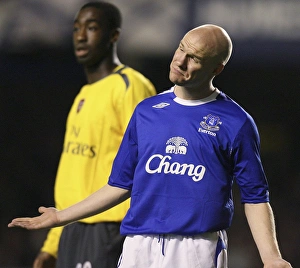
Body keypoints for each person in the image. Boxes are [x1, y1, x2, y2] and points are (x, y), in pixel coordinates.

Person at [8, 24, 292, 268]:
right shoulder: (146, 111)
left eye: (194, 58)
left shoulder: (236, 122)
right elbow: (120, 185)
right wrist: (60, 217)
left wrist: (271, 258)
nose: (180, 61)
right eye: (181, 49)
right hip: (137, 245)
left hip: (195, 248)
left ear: (216, 68)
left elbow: (255, 197)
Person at [26, 1, 156, 268]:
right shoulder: (83, 95)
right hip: (72, 229)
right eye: (76, 29)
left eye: (92, 27)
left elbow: (150, 165)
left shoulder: (131, 87)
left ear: (114, 35)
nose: (81, 36)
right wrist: (53, 243)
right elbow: (74, 178)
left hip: (110, 228)